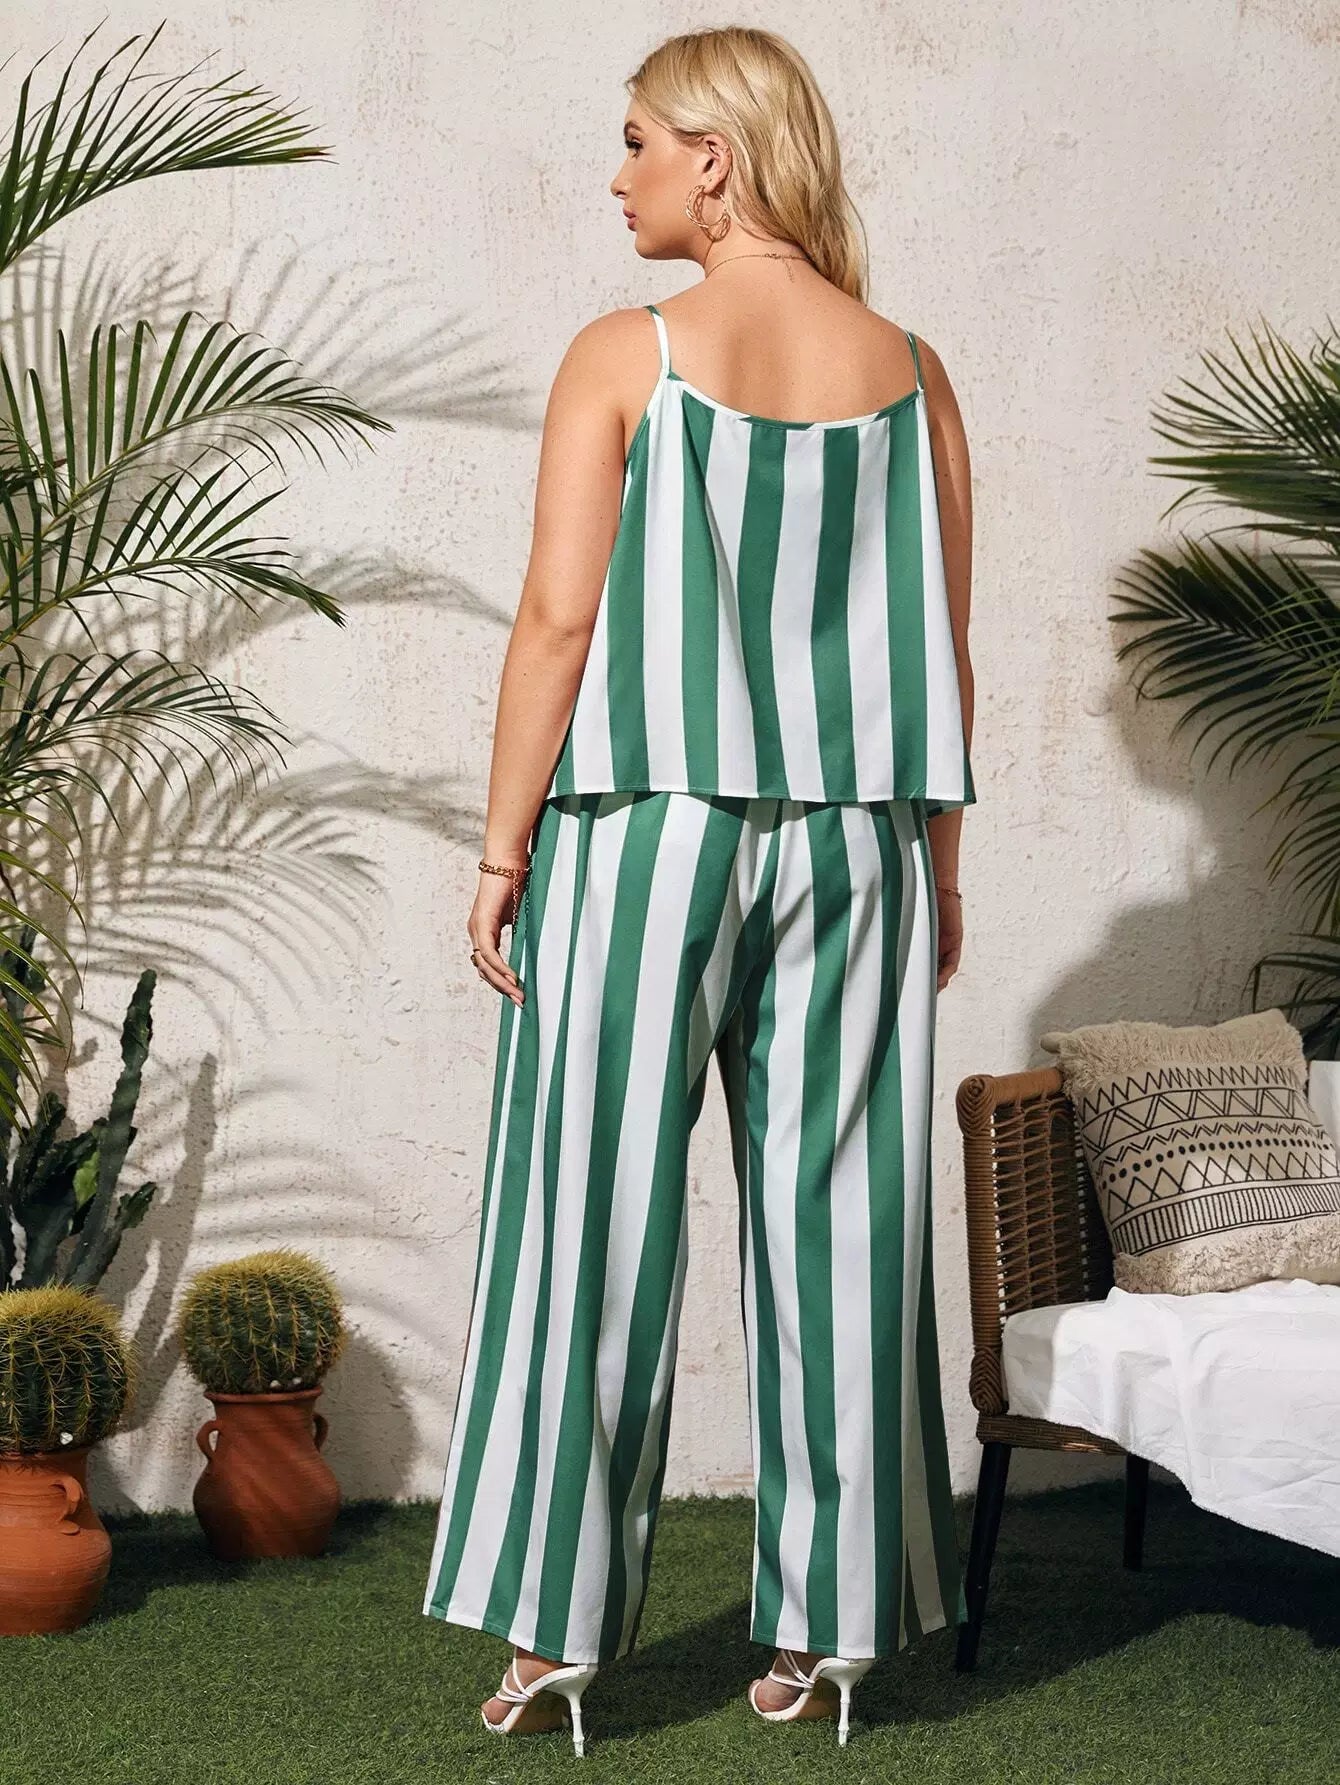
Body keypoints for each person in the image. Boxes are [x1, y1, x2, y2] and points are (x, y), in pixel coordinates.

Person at [422, 23, 976, 1756]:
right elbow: (941, 649)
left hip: (645, 831)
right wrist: (942, 869)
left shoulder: (628, 353)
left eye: (638, 141)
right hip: (859, 840)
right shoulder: (915, 371)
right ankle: (836, 1635)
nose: (620, 175)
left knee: (585, 1218)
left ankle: (552, 1635)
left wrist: (502, 848)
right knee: (844, 1227)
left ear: (714, 159)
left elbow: (557, 621)